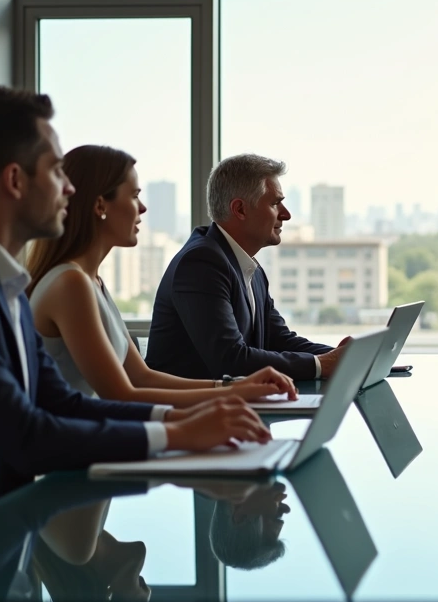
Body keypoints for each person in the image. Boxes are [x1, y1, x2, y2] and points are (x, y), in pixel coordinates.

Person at [0, 85, 271, 537]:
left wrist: (185, 419)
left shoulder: (0, 279)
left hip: (0, 547)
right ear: (15, 180)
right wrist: (179, 435)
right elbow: (26, 434)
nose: (68, 188)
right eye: (56, 170)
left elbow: (62, 403)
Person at [24, 145, 298, 407]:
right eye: (133, 196)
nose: (143, 208)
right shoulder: (71, 284)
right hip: (81, 447)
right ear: (100, 206)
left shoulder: (91, 282)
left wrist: (235, 388)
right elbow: (123, 395)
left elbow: (142, 377)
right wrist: (227, 398)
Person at [146, 154, 346, 381]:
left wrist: (341, 356)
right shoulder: (201, 263)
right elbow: (231, 359)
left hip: (231, 406)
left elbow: (277, 339)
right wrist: (322, 364)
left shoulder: (248, 266)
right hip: (186, 412)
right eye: (274, 203)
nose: (286, 214)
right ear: (240, 209)